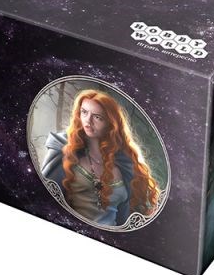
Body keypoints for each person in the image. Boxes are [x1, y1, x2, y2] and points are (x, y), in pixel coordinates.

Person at [41, 89, 160, 227]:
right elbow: (44, 199)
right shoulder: (64, 150)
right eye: (84, 112)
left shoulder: (125, 163)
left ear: (111, 124)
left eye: (97, 117)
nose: (88, 120)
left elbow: (128, 215)